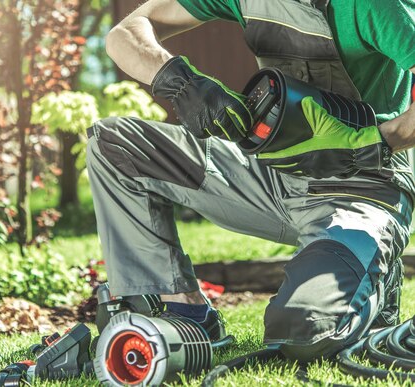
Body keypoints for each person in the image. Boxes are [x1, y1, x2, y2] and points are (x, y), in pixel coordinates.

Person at [86, 0, 415, 361]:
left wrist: (377, 142)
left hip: (360, 186)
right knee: (114, 145)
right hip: (271, 173)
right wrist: (181, 83)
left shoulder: (374, 6)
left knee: (303, 328)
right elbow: (125, 33)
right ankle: (185, 314)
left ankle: (375, 277)